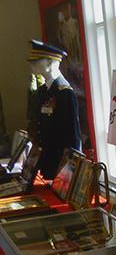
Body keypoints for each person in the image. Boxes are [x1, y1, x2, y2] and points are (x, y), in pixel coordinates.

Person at [27, 40, 82, 179]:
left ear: (51, 63)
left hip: (60, 164)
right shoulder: (44, 90)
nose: (32, 65)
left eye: (37, 61)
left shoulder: (64, 93)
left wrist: (71, 167)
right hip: (47, 160)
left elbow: (73, 134)